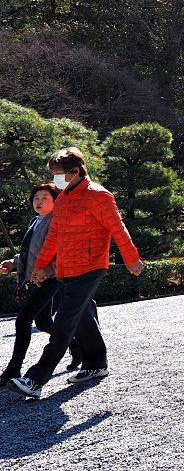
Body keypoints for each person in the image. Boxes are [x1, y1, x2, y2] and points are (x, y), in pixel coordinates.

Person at [7, 148, 144, 400]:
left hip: (90, 267)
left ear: (76, 171)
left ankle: (36, 380)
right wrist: (40, 267)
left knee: (64, 321)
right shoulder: (64, 199)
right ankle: (96, 363)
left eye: (58, 173)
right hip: (65, 268)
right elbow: (53, 238)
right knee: (81, 316)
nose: (55, 178)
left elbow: (118, 228)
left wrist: (131, 258)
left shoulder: (100, 196)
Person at [1, 184, 81, 384]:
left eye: (45, 198)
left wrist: (48, 270)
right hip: (35, 278)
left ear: (56, 201)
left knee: (23, 319)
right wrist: (13, 262)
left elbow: (63, 253)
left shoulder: (56, 222)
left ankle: (14, 368)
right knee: (44, 323)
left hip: (50, 279)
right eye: (36, 198)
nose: (39, 201)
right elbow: (31, 252)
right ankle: (74, 344)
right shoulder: (35, 221)